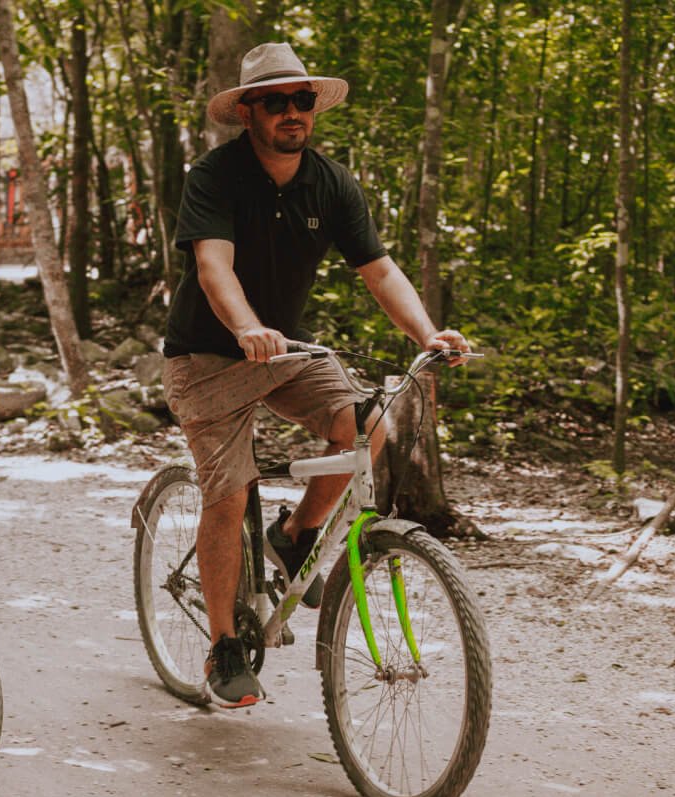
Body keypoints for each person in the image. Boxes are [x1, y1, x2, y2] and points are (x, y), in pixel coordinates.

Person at [163, 42, 472, 708]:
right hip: (207, 357)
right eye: (276, 102)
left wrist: (429, 333)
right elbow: (214, 268)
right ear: (249, 112)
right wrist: (245, 327)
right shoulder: (215, 177)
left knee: (369, 424)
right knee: (227, 492)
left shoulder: (331, 183)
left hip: (286, 353)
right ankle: (224, 646)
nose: (292, 112)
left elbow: (381, 271)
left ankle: (297, 534)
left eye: (302, 100)